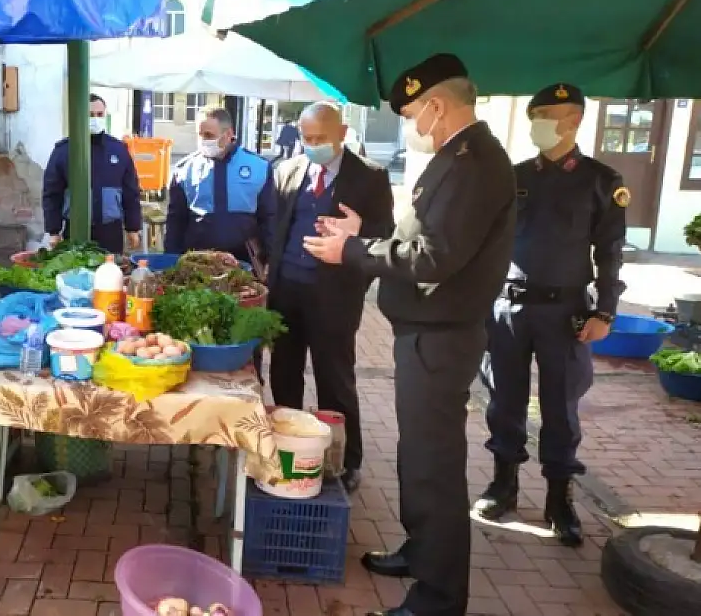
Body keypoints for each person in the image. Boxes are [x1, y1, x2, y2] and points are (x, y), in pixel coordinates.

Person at [303, 54, 516, 616]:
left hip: (441, 336)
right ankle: (422, 553)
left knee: (434, 467)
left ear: (437, 106)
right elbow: (419, 233)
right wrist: (363, 231)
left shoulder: (475, 163)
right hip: (426, 332)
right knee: (417, 456)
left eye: (411, 113)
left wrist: (350, 251)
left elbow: (434, 256)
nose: (408, 126)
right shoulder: (457, 157)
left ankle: (438, 599)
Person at [475, 83, 626, 548]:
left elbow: (611, 253)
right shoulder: (515, 176)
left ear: (574, 119)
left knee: (561, 405)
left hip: (568, 310)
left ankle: (560, 499)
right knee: (504, 399)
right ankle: (504, 485)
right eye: (534, 113)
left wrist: (605, 311)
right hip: (509, 306)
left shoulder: (601, 180)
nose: (537, 121)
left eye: (548, 114)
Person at [267, 101, 395, 494]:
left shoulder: (370, 177)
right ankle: (287, 444)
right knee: (284, 372)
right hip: (287, 289)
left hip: (334, 297)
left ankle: (346, 458)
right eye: (307, 138)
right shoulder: (286, 171)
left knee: (334, 379)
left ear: (342, 133)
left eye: (321, 138)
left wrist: (355, 244)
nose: (313, 145)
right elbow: (276, 224)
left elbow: (385, 234)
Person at [164, 106, 276, 264]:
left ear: (228, 134)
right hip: (197, 264)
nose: (203, 141)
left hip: (245, 263)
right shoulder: (184, 170)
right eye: (200, 135)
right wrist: (170, 260)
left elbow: (269, 218)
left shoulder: (259, 167)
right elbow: (175, 221)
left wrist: (271, 260)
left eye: (209, 135)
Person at [42, 93, 142, 253]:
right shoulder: (63, 151)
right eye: (90, 115)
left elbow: (131, 192)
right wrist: (53, 230)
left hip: (111, 233)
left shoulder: (119, 150)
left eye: (99, 114)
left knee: (110, 275)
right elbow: (52, 193)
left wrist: (133, 227)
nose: (95, 118)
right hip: (75, 232)